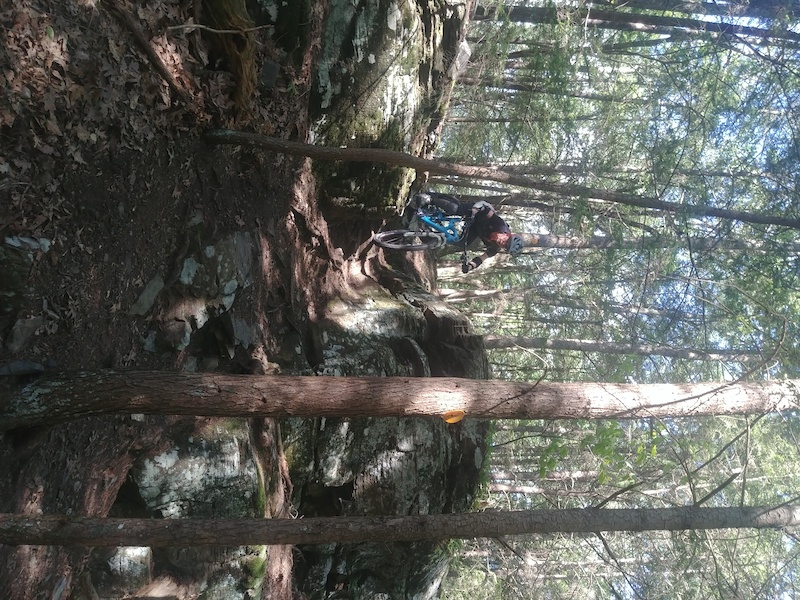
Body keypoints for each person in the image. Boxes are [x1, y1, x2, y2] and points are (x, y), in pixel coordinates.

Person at [413, 191, 524, 273]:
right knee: (458, 210)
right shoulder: (499, 224)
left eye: (505, 246)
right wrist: (474, 211)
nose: (503, 243)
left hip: (476, 228)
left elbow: (481, 259)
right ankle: (429, 199)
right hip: (478, 212)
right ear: (508, 234)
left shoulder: (494, 248)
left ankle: (429, 233)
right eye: (506, 240)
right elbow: (485, 209)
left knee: (460, 242)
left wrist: (470, 267)